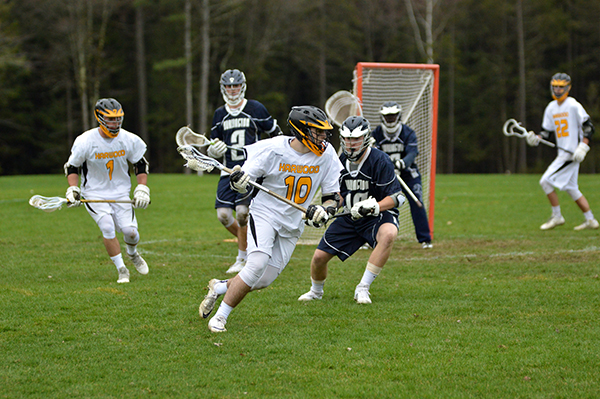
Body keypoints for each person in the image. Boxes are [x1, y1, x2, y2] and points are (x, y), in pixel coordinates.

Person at [197, 106, 343, 332]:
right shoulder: (273, 149)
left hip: (292, 223)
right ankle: (220, 317)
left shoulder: (327, 154)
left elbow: (333, 197)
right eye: (318, 131)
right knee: (256, 264)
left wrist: (326, 211)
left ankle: (219, 287)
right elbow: (243, 179)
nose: (324, 136)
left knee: (263, 280)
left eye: (325, 131)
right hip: (265, 214)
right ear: (302, 130)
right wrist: (239, 180)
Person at [298, 116, 406, 304]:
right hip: (350, 217)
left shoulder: (380, 160)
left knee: (388, 234)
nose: (350, 144)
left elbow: (398, 197)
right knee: (318, 258)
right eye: (347, 139)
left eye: (355, 139)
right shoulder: (339, 161)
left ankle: (363, 288)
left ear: (365, 138)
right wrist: (326, 210)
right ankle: (316, 291)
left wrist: (374, 206)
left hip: (376, 217)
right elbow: (337, 196)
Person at [64, 98, 151, 283]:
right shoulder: (85, 140)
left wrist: (142, 187)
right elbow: (72, 167)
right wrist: (73, 189)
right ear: (99, 118)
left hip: (120, 193)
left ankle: (133, 254)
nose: (115, 123)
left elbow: (140, 164)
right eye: (111, 119)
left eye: (118, 119)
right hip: (94, 194)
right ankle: (122, 269)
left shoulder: (128, 139)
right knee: (107, 227)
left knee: (131, 232)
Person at [208, 69, 282, 274]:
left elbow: (275, 133)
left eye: (236, 85)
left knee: (242, 213)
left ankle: (242, 257)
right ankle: (248, 242)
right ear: (223, 88)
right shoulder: (219, 114)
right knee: (223, 214)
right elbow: (214, 144)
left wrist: (274, 155)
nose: (233, 90)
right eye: (229, 86)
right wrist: (214, 150)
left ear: (243, 86)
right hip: (227, 169)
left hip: (250, 170)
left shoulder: (255, 108)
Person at [525, 72, 597, 230]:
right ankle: (591, 220)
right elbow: (546, 131)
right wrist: (536, 138)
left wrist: (583, 146)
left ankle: (557, 216)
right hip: (563, 153)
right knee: (572, 188)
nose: (557, 90)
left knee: (545, 181)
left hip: (571, 153)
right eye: (555, 86)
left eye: (561, 87)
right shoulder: (551, 107)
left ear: (568, 88)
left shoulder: (573, 104)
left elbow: (589, 127)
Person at [371, 101, 433, 249]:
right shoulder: (376, 135)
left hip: (408, 174)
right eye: (387, 117)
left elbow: (412, 153)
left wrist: (401, 163)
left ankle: (425, 239)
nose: (390, 119)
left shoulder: (408, 133)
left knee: (417, 202)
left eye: (393, 116)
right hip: (385, 177)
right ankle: (370, 238)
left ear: (398, 116)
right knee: (375, 205)